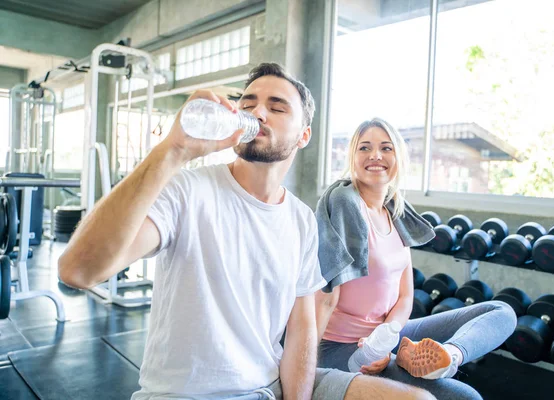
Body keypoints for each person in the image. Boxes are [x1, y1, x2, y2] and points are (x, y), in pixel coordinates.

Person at [58, 64, 435, 400]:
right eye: (249, 102)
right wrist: (172, 149)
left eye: (276, 106)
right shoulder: (187, 190)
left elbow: (302, 332)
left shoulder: (302, 219)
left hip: (269, 384)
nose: (256, 112)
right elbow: (78, 270)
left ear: (303, 136)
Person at [315, 118, 518, 400]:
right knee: (466, 398)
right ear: (352, 157)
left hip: (385, 335)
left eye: (386, 148)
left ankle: (450, 358)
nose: (375, 155)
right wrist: (303, 366)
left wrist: (385, 339)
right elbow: (322, 293)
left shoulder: (395, 212)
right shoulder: (343, 204)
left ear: (398, 156)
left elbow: (405, 297)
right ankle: (387, 361)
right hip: (338, 347)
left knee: (500, 311)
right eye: (364, 148)